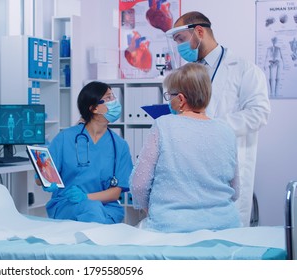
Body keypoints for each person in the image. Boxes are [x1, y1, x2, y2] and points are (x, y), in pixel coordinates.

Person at [165, 11, 271, 227]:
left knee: (227, 235)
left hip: (226, 164)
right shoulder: (186, 73)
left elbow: (259, 113)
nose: (179, 48)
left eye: (181, 40)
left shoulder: (244, 69)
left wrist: (212, 126)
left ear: (200, 32)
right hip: (190, 164)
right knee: (193, 234)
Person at [130, 63, 241, 233]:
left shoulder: (164, 125)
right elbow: (235, 192)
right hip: (225, 227)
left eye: (170, 96)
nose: (169, 101)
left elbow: (139, 185)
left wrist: (150, 209)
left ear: (181, 99)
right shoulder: (227, 130)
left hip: (172, 228)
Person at [36, 81, 133, 224]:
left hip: (106, 208)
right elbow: (41, 179)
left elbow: (115, 192)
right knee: (92, 212)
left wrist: (86, 197)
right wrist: (45, 181)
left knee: (94, 211)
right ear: (94, 108)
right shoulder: (65, 138)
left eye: (113, 97)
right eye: (109, 98)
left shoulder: (119, 145)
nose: (115, 102)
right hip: (68, 205)